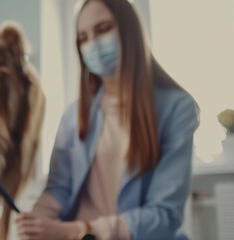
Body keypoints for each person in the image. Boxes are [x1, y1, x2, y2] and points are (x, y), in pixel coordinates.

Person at [15, 0, 199, 239]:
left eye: (103, 29)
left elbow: (165, 215)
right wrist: (37, 220)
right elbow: (59, 188)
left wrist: (81, 231)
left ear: (129, 31)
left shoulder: (176, 108)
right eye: (83, 38)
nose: (93, 44)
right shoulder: (73, 116)